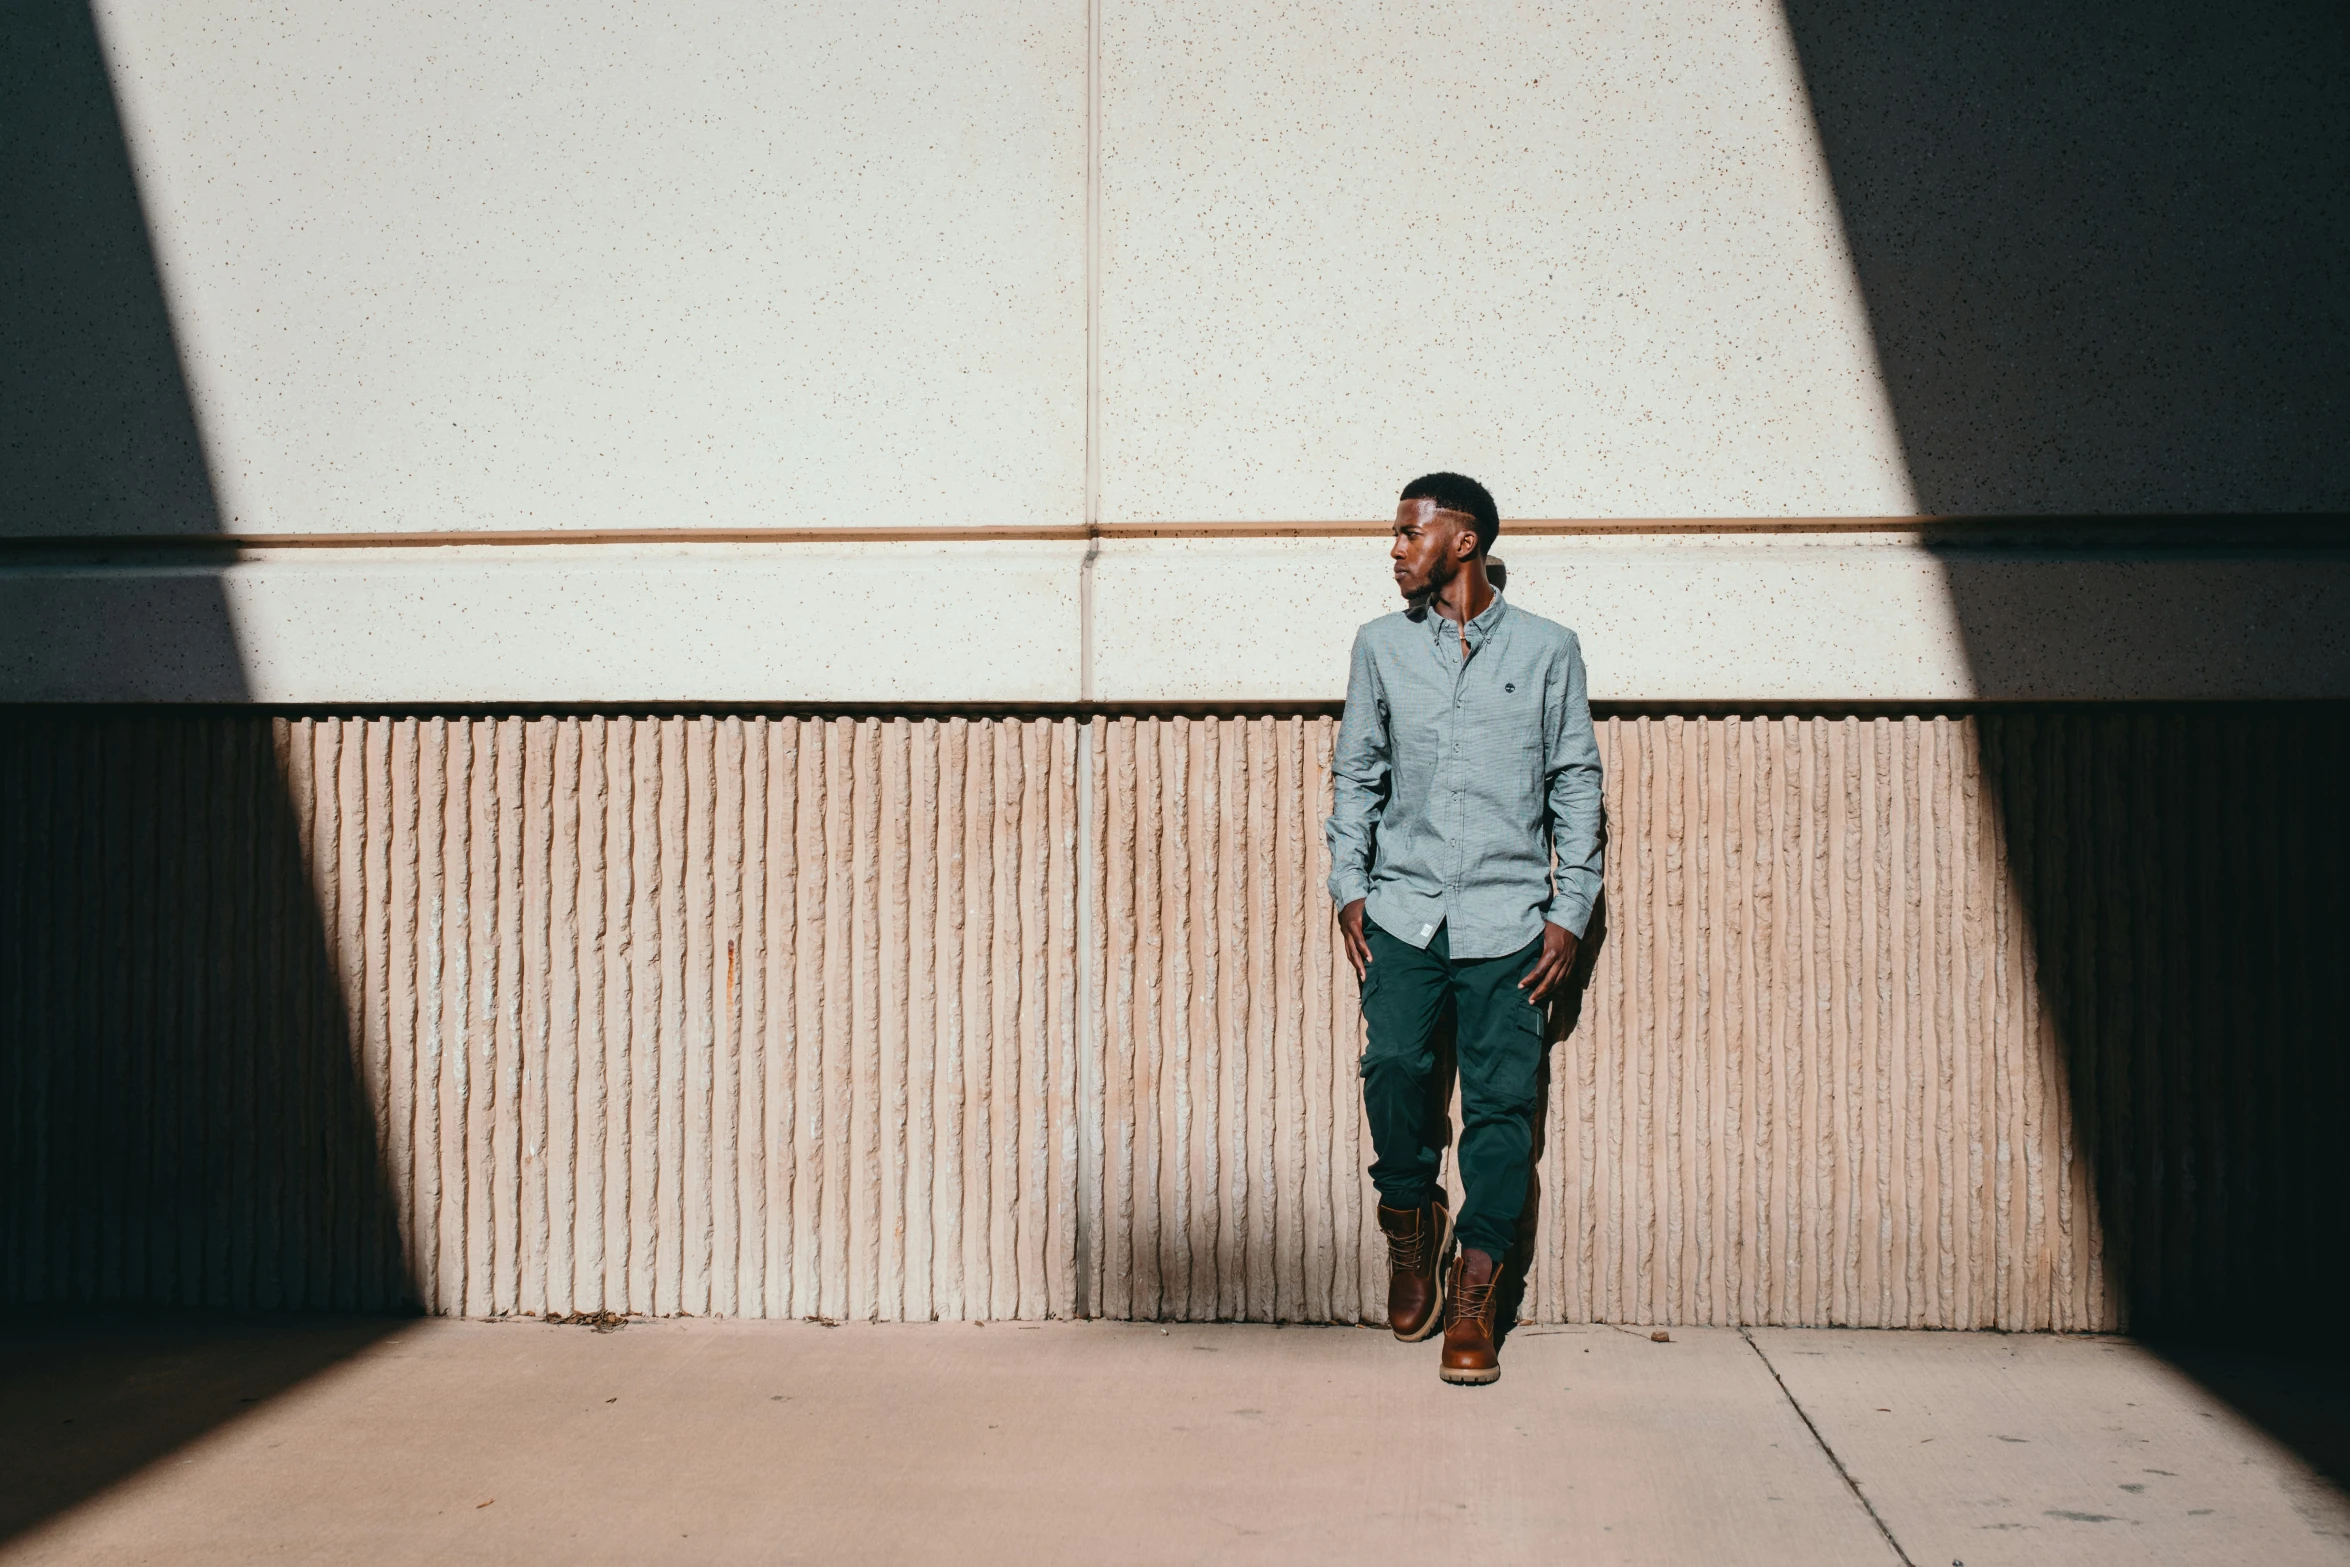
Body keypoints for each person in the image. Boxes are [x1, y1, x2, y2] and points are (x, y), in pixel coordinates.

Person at [1325, 472, 1604, 1385]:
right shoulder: (1379, 649)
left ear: (1465, 538)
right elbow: (1357, 775)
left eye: (1409, 531)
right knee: (1395, 1066)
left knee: (1500, 1109)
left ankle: (1477, 1281)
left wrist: (1570, 911)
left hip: (1510, 918)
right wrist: (1348, 886)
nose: (1395, 548)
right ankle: (1412, 1222)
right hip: (1404, 911)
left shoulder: (1549, 648)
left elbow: (1575, 783)